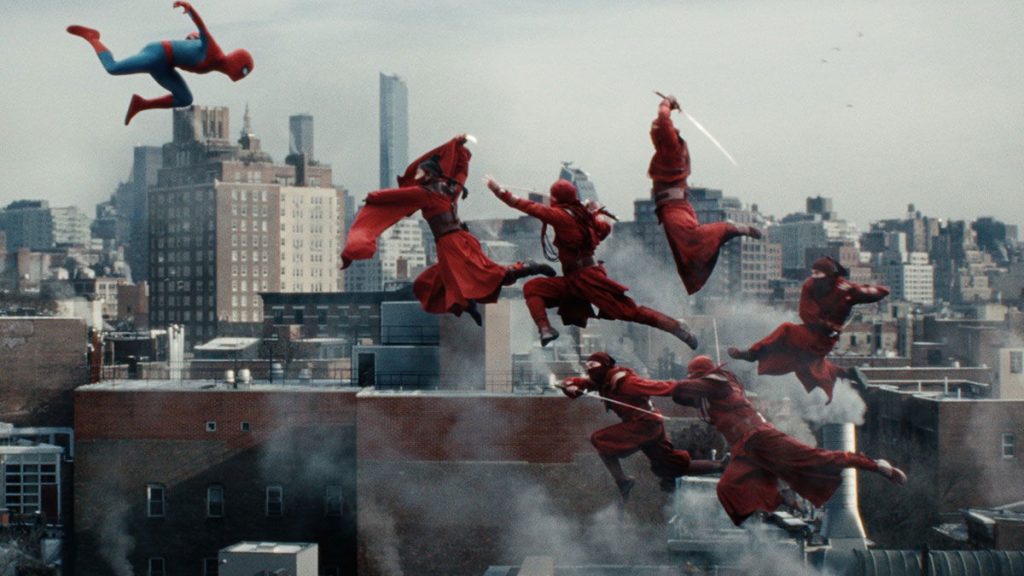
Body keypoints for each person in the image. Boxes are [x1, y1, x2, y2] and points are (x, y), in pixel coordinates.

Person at [671, 355, 906, 526]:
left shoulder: (720, 387)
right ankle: (775, 506)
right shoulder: (711, 397)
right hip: (745, 449)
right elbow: (683, 397)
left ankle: (876, 465)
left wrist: (654, 386)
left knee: (818, 459)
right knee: (727, 489)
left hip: (761, 439)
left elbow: (681, 390)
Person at [342, 136, 554, 325]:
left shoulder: (425, 193)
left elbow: (395, 196)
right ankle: (468, 304)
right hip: (458, 239)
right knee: (434, 282)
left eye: (420, 171)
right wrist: (460, 153)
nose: (416, 174)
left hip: (451, 243)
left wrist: (373, 197)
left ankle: (528, 267)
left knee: (484, 274)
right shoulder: (449, 189)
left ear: (428, 174)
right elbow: (461, 174)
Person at [487, 177, 697, 349]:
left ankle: (674, 326)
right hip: (574, 278)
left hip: (587, 279)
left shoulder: (563, 216)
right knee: (533, 288)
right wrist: (595, 213)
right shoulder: (582, 216)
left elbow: (528, 206)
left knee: (627, 311)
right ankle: (545, 329)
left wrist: (498, 190)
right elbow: (604, 230)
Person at [561, 352, 725, 501]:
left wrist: (697, 386)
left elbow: (661, 387)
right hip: (649, 426)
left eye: (593, 365)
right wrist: (570, 384)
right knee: (668, 466)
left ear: (605, 366)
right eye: (587, 366)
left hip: (644, 425)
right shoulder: (605, 381)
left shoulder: (626, 382)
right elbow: (583, 383)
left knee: (599, 439)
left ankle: (622, 480)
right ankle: (722, 465)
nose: (589, 369)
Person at [727, 257, 889, 401]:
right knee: (804, 362)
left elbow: (878, 292)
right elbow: (805, 312)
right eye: (813, 273)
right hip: (813, 331)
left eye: (818, 274)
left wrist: (858, 293)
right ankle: (847, 372)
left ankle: (753, 354)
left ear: (829, 276)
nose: (814, 277)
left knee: (787, 330)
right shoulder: (809, 285)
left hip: (826, 339)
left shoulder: (844, 288)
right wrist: (824, 324)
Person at [68, 1, 253, 125]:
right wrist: (189, 9)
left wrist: (190, 40)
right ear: (237, 62)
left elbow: (194, 37)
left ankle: (140, 104)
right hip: (158, 54)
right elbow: (202, 29)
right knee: (113, 68)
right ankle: (92, 37)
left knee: (185, 99)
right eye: (243, 71)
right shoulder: (214, 52)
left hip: (166, 67)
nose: (240, 76)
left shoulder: (213, 62)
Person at [648, 95, 761, 294]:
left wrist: (667, 104)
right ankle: (727, 233)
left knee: (692, 239)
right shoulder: (668, 149)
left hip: (674, 208)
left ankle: (731, 229)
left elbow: (663, 122)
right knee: (684, 250)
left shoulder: (671, 149)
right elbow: (660, 125)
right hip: (672, 207)